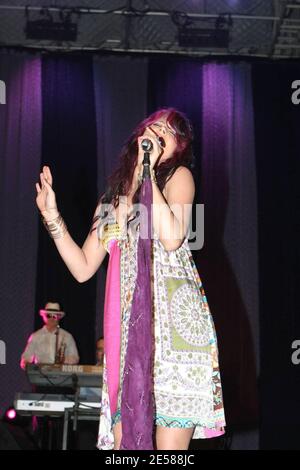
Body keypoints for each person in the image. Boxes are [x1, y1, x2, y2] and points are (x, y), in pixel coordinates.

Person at [35, 107, 226, 451]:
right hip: (129, 335)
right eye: (153, 126)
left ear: (178, 148)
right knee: (127, 443)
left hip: (174, 330)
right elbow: (82, 268)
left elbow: (171, 237)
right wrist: (52, 216)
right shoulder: (112, 202)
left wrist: (148, 174)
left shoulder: (177, 178)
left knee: (169, 450)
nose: (157, 133)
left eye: (168, 132)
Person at [20, 301, 79, 369]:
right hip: (40, 376)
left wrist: (62, 360)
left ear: (59, 317)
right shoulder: (35, 336)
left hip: (62, 376)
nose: (51, 318)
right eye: (49, 315)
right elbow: (26, 358)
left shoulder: (67, 337)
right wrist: (27, 364)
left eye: (54, 316)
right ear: (44, 317)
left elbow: (75, 358)